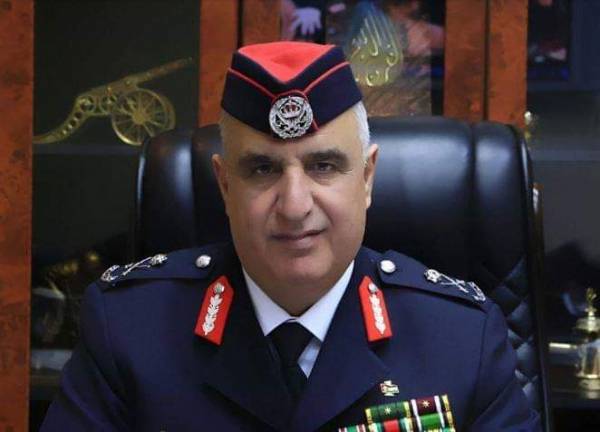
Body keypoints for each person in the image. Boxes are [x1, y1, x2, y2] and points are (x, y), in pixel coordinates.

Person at [41, 41, 541, 431]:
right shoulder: (128, 330)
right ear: (225, 185)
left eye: (323, 166)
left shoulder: (462, 339)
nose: (295, 205)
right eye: (263, 169)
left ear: (367, 179)